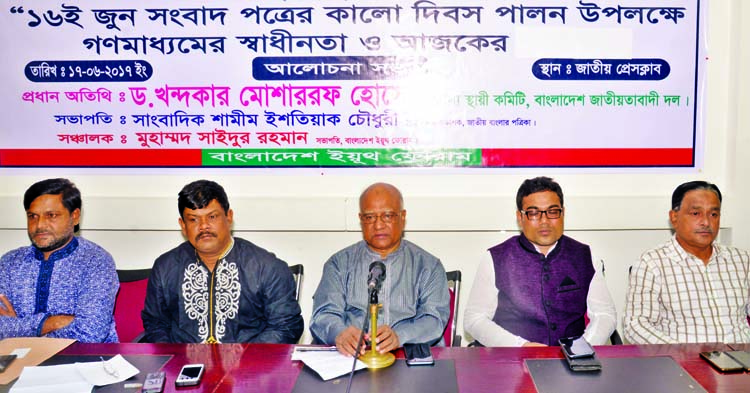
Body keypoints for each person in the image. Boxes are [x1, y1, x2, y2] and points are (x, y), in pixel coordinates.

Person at [141, 180, 303, 343]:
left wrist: (247, 361)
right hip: (184, 365)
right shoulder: (165, 267)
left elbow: (286, 326)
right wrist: (176, 361)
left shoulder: (266, 267)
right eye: (193, 220)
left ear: (229, 216)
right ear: (183, 225)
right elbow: (156, 324)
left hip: (250, 364)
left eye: (212, 217)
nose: (204, 226)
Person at [464, 176, 616, 346]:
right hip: (512, 361)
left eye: (552, 212)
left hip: (572, 364)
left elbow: (605, 314)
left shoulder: (585, 255)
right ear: (520, 218)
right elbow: (474, 319)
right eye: (534, 213)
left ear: (563, 213)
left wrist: (582, 348)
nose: (544, 221)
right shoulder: (495, 258)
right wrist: (520, 346)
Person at [310, 183, 450, 356]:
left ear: (402, 216)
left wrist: (400, 336)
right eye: (370, 217)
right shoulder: (339, 263)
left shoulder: (428, 266)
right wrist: (339, 333)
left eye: (388, 216)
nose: (378, 225)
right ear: (361, 219)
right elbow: (323, 314)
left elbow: (434, 320)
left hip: (406, 355)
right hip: (352, 358)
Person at [624, 181, 750, 344]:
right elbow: (636, 325)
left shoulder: (741, 260)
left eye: (713, 214)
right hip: (683, 363)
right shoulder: (652, 263)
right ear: (674, 217)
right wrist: (681, 354)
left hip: (742, 360)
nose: (706, 222)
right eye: (696, 213)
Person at [0, 178, 118, 342]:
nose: (40, 225)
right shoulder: (9, 263)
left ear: (75, 216)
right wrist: (53, 322)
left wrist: (18, 329)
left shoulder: (95, 261)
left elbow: (91, 333)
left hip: (85, 362)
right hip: (19, 363)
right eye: (33, 216)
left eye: (51, 215)